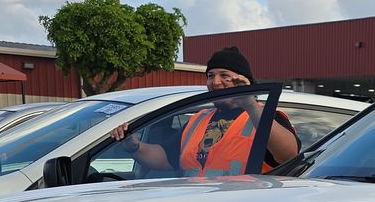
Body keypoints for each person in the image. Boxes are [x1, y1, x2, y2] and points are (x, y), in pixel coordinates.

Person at [113, 47, 299, 177]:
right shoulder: (198, 120)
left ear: (244, 80)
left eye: (224, 75)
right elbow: (165, 158)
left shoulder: (264, 116)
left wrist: (249, 103)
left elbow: (288, 154)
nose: (215, 82)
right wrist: (135, 147)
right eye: (210, 76)